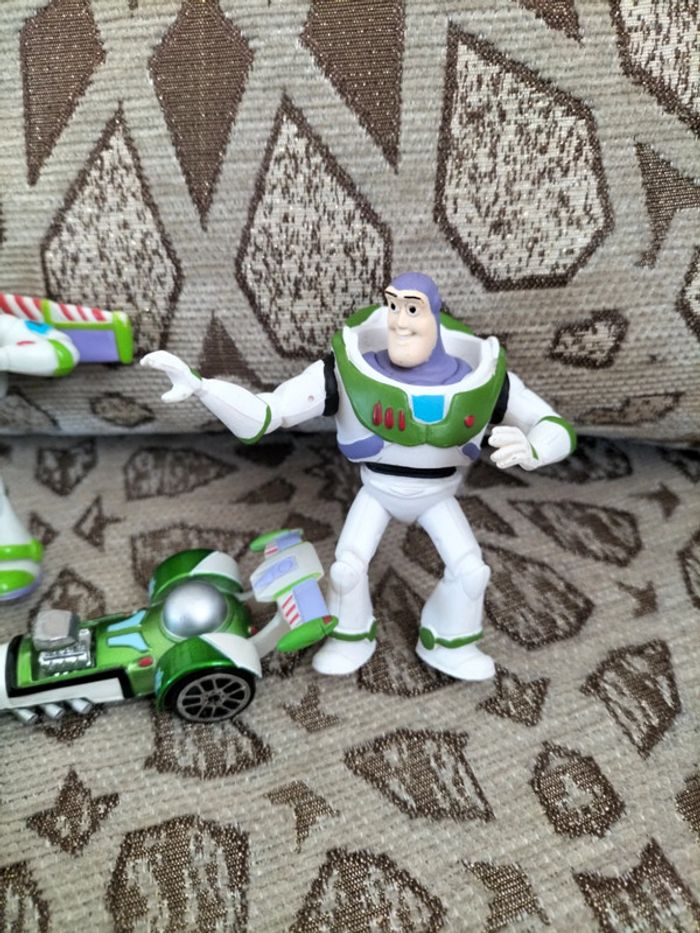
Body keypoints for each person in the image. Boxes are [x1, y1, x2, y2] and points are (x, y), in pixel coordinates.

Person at [142, 273, 576, 680]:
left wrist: (535, 448)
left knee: (471, 572)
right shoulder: (345, 370)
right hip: (378, 489)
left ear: (434, 316)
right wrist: (203, 388)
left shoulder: (485, 377)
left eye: (412, 309)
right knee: (347, 569)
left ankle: (448, 643)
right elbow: (266, 414)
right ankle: (350, 637)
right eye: (393, 307)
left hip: (438, 493)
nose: (399, 322)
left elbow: (552, 425)